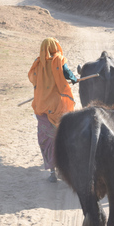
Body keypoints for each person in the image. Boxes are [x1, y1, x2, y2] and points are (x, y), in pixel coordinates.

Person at [28, 37, 77, 182]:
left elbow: (33, 80)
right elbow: (68, 74)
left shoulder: (37, 64)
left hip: (42, 106)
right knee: (63, 137)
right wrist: (73, 79)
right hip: (58, 107)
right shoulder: (58, 60)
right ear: (55, 47)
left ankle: (52, 172)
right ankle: (64, 170)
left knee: (48, 139)